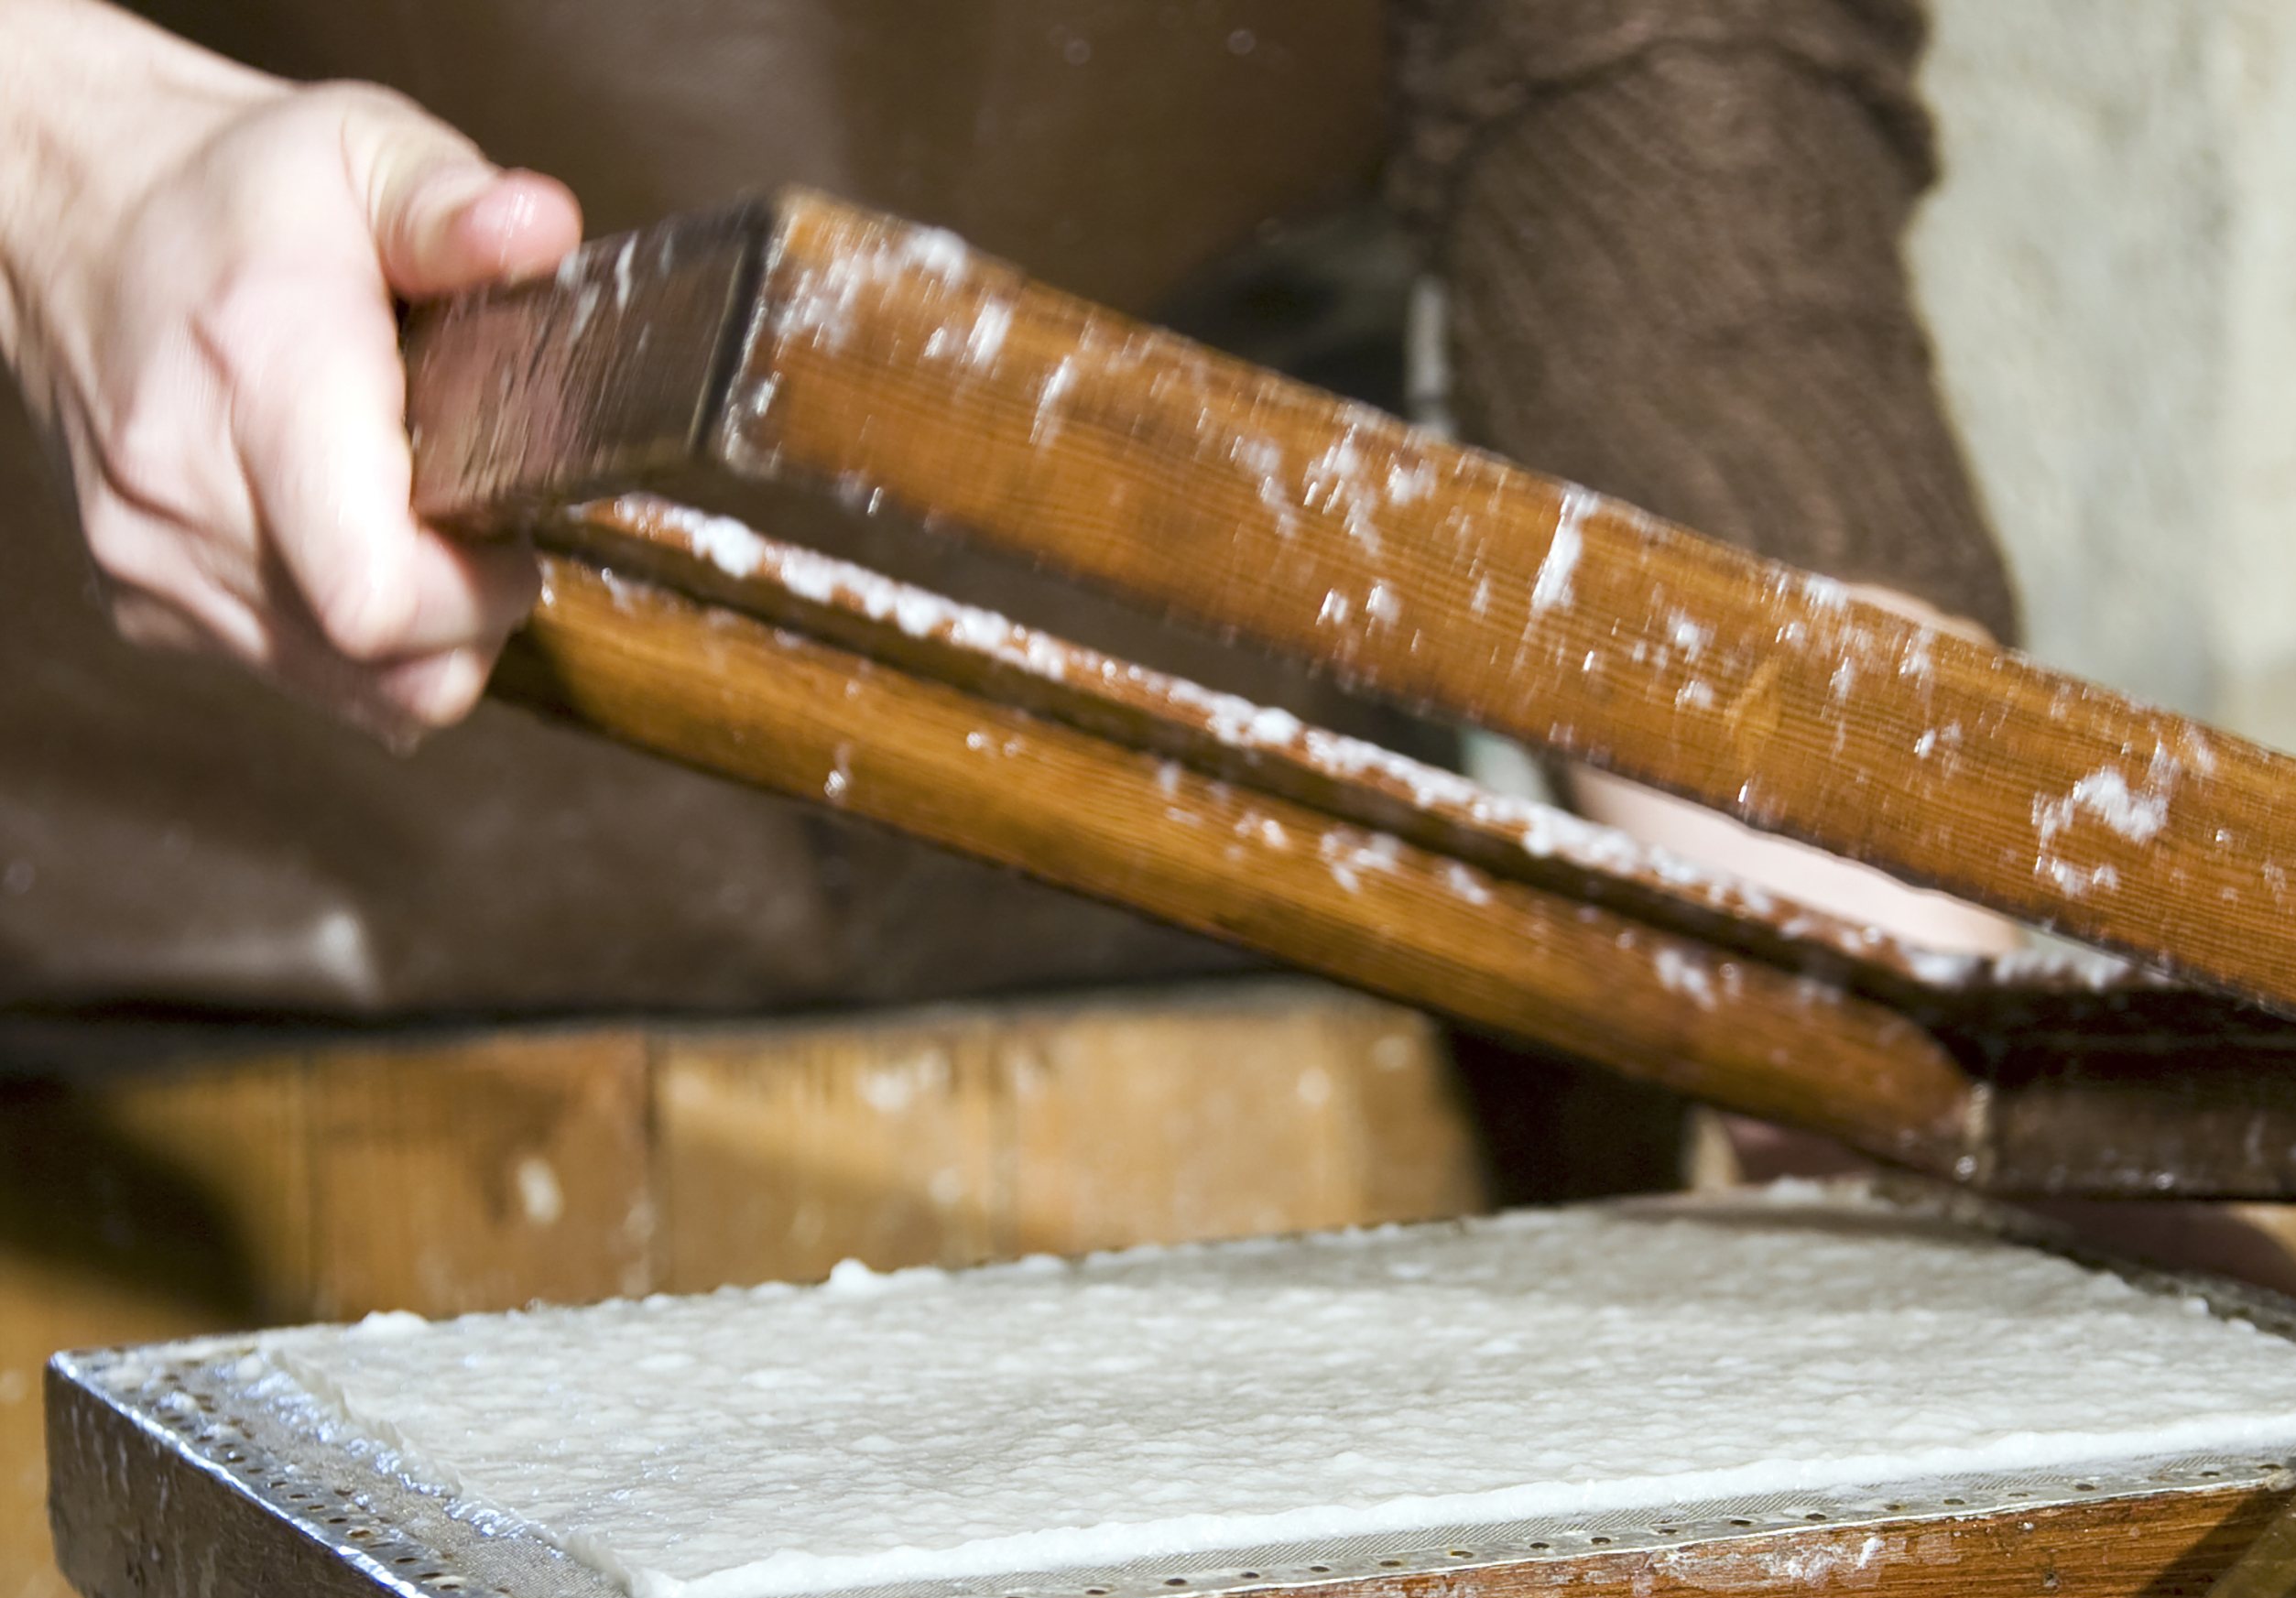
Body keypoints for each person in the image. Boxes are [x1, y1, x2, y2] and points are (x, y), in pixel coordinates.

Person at [0, 0, 2024, 1033]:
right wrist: (67, 152)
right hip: (170, 956)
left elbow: (1645, 61)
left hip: (1245, 928)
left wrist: (1862, 884)